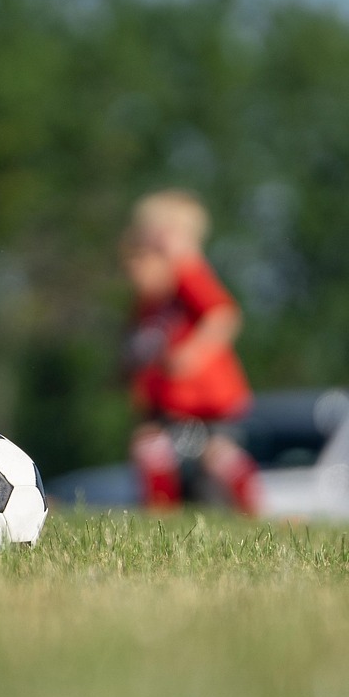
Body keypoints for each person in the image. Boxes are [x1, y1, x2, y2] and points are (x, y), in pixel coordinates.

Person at [120, 189, 260, 514]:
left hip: (207, 400)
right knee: (153, 448)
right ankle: (161, 513)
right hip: (172, 405)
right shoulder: (153, 299)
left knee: (218, 458)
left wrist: (192, 353)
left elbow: (223, 315)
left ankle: (251, 510)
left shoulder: (189, 276)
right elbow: (143, 346)